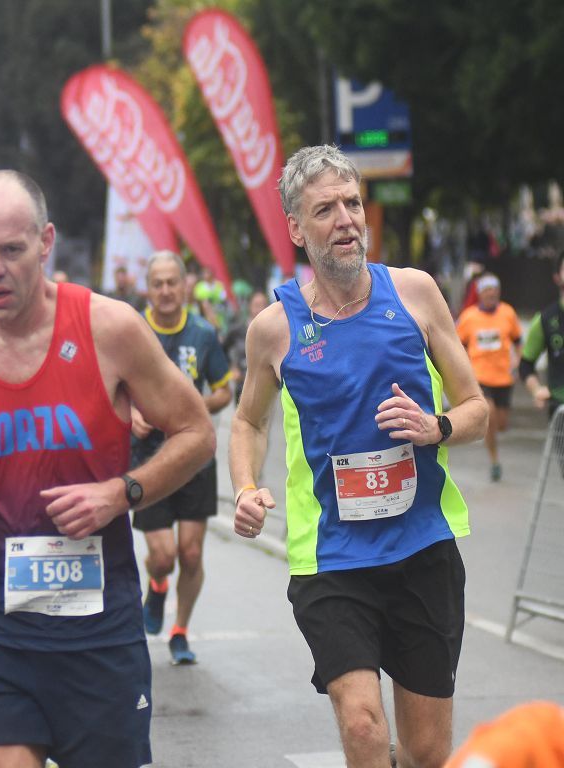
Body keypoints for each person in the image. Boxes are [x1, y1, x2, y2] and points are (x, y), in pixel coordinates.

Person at [0, 170, 215, 768]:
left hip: (98, 627)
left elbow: (196, 433)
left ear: (45, 242)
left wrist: (120, 493)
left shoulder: (110, 327)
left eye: (11, 250)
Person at [229, 145, 487, 768]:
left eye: (351, 204)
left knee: (425, 752)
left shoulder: (417, 295)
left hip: (422, 547)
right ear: (295, 227)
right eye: (325, 209)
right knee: (365, 726)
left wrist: (436, 426)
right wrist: (244, 486)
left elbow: (476, 406)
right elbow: (247, 422)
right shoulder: (274, 328)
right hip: (331, 559)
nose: (345, 220)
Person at [131, 250, 231, 665]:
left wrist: (193, 410)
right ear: (148, 289)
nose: (167, 291)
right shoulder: (131, 332)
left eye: (173, 282)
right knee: (164, 557)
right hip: (150, 459)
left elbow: (225, 390)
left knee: (190, 554)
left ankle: (180, 631)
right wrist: (132, 414)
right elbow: (113, 387)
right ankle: (156, 588)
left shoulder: (204, 334)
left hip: (194, 459)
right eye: (159, 284)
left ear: (185, 285)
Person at [455, 273, 522, 481]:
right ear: (480, 294)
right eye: (486, 290)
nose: (490, 293)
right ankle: (494, 461)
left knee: (501, 423)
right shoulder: (468, 317)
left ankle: (493, 440)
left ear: (498, 292)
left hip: (503, 378)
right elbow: (457, 346)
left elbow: (518, 341)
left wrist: (517, 361)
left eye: (493, 289)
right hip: (480, 377)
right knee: (490, 416)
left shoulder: (508, 313)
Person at [520, 252, 564, 419]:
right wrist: (537, 389)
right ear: (557, 277)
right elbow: (526, 365)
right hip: (560, 412)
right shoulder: (545, 319)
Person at [223, 289, 270, 404]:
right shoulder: (237, 330)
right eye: (257, 305)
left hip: (268, 391)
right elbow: (221, 350)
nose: (260, 309)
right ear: (249, 307)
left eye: (264, 305)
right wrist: (231, 369)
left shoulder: (273, 332)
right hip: (243, 388)